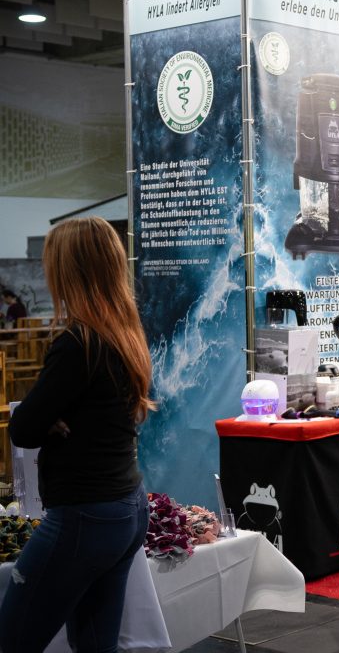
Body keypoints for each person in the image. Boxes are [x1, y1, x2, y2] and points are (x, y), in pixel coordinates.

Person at [0, 217, 154, 653]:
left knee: (13, 640)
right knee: (95, 643)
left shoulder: (77, 342)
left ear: (70, 270)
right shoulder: (123, 333)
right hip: (126, 508)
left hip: (86, 516)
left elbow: (24, 428)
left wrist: (48, 417)